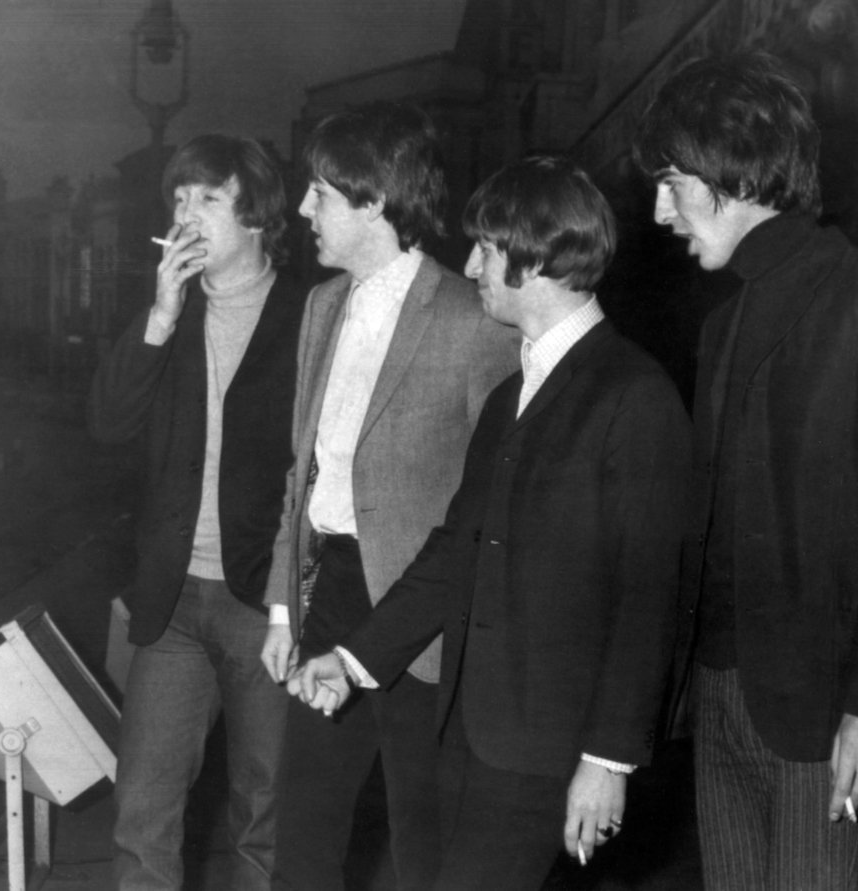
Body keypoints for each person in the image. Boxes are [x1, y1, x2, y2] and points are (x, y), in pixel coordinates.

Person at [287, 156, 692, 890]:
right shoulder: (512, 393)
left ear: (535, 256)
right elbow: (454, 551)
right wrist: (352, 659)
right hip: (468, 733)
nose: (470, 262)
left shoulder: (634, 395)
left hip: (547, 748)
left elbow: (648, 599)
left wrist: (607, 761)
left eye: (487, 248)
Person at [633, 51, 858, 890]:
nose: (661, 212)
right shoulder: (724, 321)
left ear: (734, 173)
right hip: (718, 693)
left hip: (827, 709)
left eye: (673, 183)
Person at [260, 102, 517, 891]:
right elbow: (301, 469)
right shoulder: (320, 305)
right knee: (300, 836)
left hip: (424, 615)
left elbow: (498, 502)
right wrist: (280, 605)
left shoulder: (477, 321)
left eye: (322, 194)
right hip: (327, 593)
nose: (304, 210)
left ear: (374, 201)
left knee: (422, 846)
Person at [88, 134, 306, 891]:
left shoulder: (310, 312)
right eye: (178, 199)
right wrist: (158, 313)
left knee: (264, 814)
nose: (186, 214)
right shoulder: (168, 314)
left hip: (267, 604)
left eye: (208, 198)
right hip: (173, 600)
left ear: (257, 216)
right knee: (142, 810)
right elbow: (109, 423)